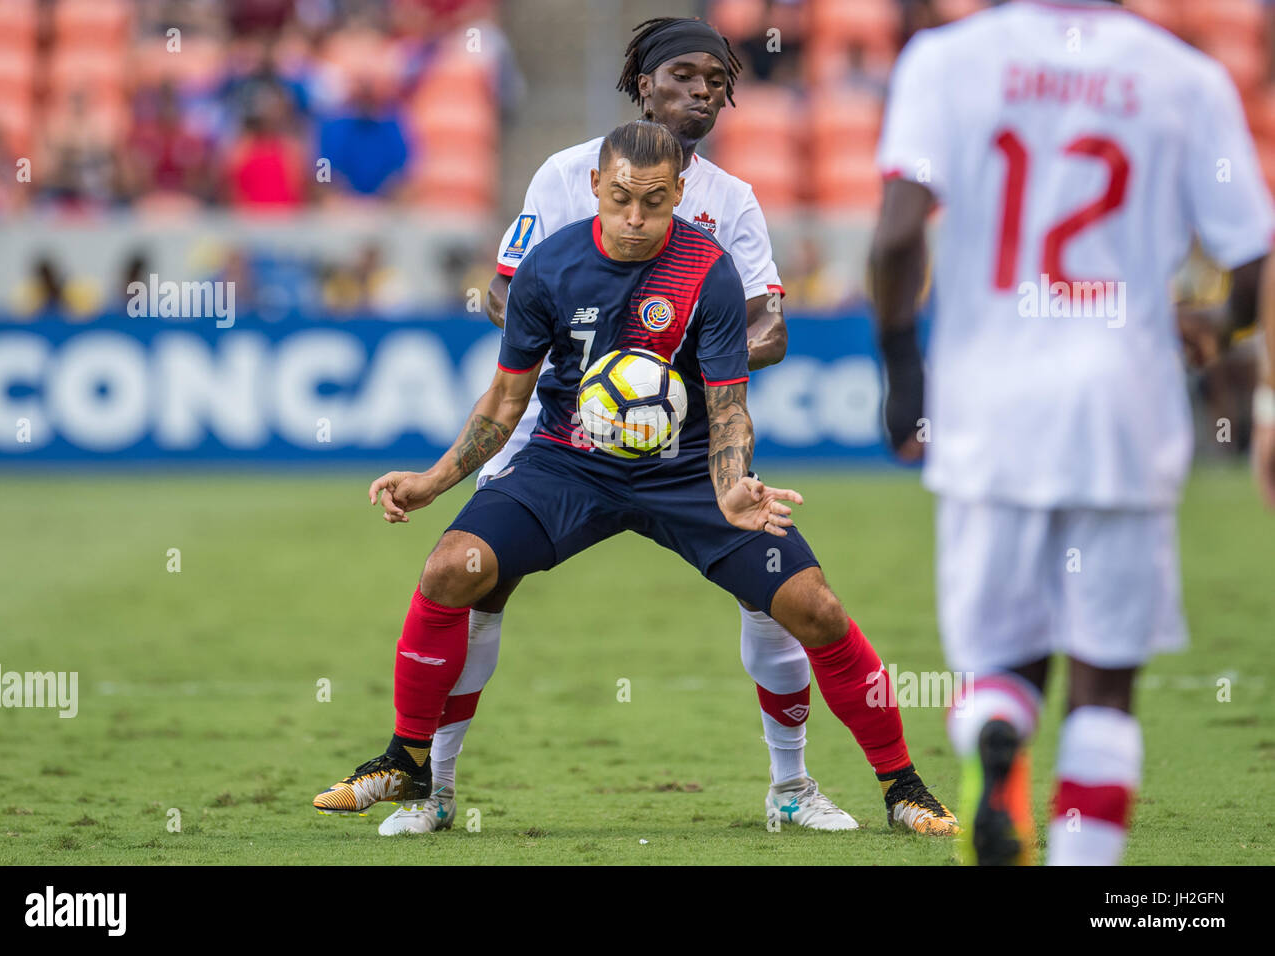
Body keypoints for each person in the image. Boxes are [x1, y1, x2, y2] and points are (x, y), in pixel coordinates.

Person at [313, 120, 959, 839]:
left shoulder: (707, 270)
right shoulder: (548, 268)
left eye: (655, 202)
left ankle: (903, 786)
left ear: (679, 194)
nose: (635, 217)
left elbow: (728, 407)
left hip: (683, 470)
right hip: (568, 461)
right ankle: (409, 759)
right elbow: (505, 401)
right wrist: (432, 482)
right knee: (450, 570)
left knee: (815, 607)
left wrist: (733, 485)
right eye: (621, 198)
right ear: (595, 186)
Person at [869, 0, 1272, 864]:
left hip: (988, 405)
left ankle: (997, 724)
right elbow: (1252, 258)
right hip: (1125, 406)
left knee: (996, 659)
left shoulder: (945, 59)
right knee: (1105, 683)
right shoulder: (1186, 76)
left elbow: (899, 233)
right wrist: (1221, 325)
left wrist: (903, 369)